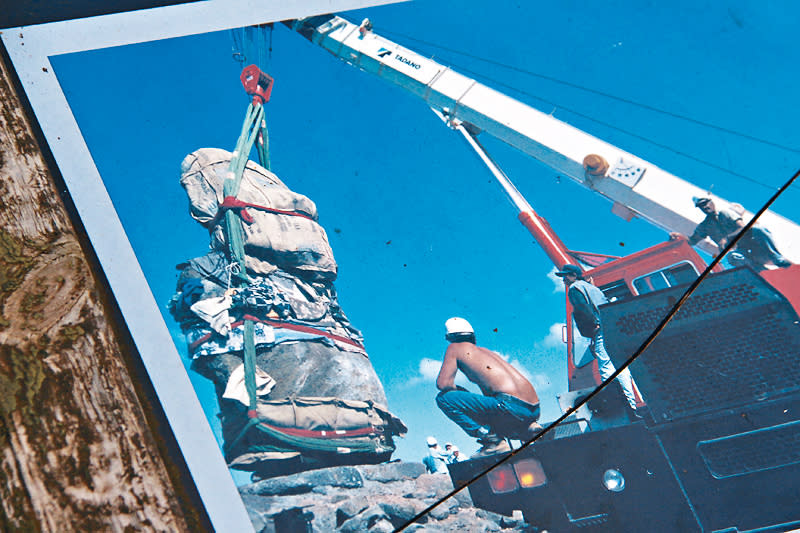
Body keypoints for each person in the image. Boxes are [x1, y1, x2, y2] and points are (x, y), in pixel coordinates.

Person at [435, 317, 542, 457]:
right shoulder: (485, 352)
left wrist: (459, 390)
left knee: (444, 398)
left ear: (450, 337)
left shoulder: (454, 347)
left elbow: (442, 384)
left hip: (510, 406)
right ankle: (529, 429)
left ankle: (492, 442)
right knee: (492, 410)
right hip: (533, 409)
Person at [555, 264, 642, 416]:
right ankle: (631, 403)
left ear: (573, 276)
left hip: (600, 327)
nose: (564, 279)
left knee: (606, 367)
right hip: (612, 325)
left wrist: (592, 328)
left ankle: (625, 406)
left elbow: (581, 308)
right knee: (622, 368)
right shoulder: (592, 288)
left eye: (566, 276)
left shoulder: (575, 288)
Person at [671, 197, 792, 270]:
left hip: (756, 248)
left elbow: (743, 228)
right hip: (742, 253)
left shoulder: (726, 213)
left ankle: (777, 258)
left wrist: (727, 238)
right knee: (732, 257)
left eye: (706, 203)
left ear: (711, 202)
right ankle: (761, 272)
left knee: (759, 230)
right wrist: (679, 237)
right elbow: (692, 240)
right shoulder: (705, 226)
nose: (705, 207)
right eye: (701, 206)